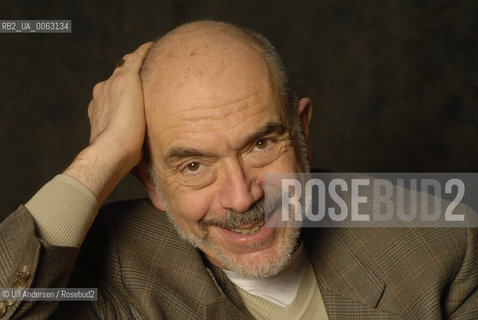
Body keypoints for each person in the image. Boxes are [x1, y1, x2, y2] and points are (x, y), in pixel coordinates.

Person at [0, 20, 477, 319]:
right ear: (151, 181)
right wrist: (102, 156)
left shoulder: (441, 245)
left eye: (261, 144)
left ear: (303, 134)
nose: (242, 197)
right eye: (192, 165)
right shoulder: (107, 272)